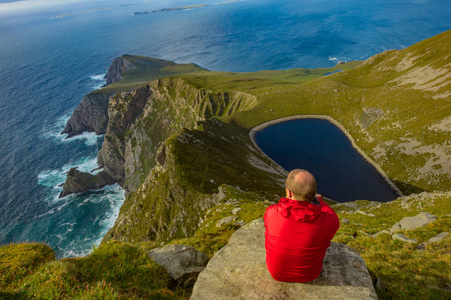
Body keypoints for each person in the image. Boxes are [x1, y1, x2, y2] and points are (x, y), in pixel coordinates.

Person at [264, 169, 340, 283]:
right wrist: (319, 201)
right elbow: (331, 215)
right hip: (309, 275)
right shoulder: (329, 222)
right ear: (313, 193)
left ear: (289, 192)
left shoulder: (272, 213)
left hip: (276, 273)